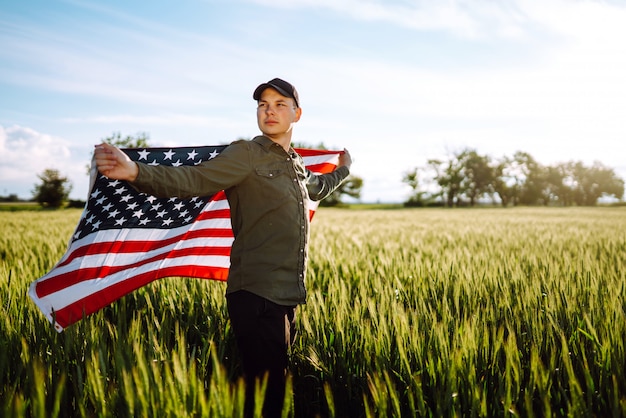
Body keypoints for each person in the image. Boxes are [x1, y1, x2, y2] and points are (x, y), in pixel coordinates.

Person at [94, 77, 352, 417]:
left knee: (270, 391)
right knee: (265, 397)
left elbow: (318, 187)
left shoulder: (296, 165)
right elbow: (193, 179)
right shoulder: (246, 153)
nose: (269, 111)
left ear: (297, 114)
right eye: (263, 105)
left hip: (287, 295)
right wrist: (134, 171)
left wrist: (345, 168)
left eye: (279, 104)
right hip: (256, 294)